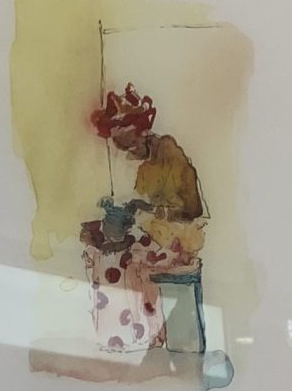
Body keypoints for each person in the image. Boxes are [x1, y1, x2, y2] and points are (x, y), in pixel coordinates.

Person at [82, 84, 208, 363]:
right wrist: (132, 213)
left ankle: (141, 335)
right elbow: (145, 209)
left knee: (126, 259)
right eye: (121, 146)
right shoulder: (145, 166)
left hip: (181, 239)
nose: (127, 151)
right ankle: (122, 335)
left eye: (129, 144)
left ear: (140, 131)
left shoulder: (171, 155)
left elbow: (192, 209)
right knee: (102, 253)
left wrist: (150, 210)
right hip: (158, 235)